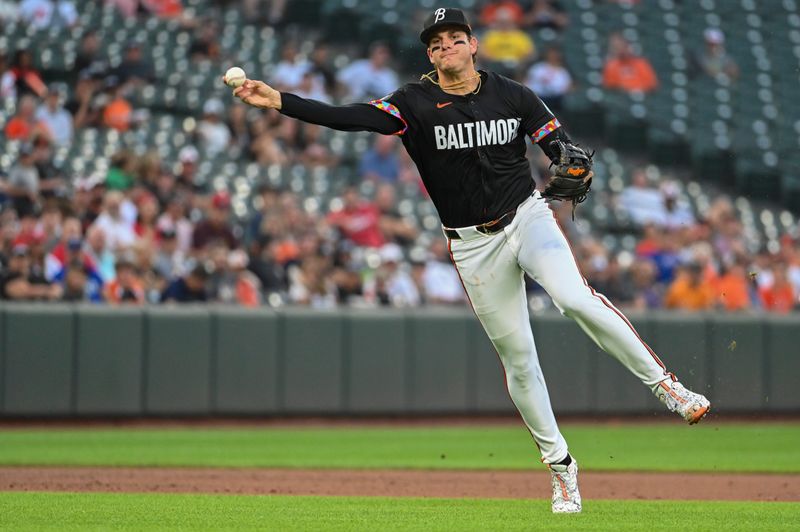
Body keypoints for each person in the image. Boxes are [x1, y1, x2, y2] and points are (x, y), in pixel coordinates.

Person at [230, 7, 710, 514]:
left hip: (527, 217)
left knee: (574, 298)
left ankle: (667, 387)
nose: (445, 48)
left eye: (455, 38)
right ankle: (562, 468)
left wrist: (569, 159)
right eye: (436, 43)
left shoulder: (514, 94)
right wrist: (280, 101)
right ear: (429, 54)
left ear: (474, 44)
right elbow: (351, 117)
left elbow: (559, 146)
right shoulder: (412, 103)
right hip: (472, 244)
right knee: (519, 359)